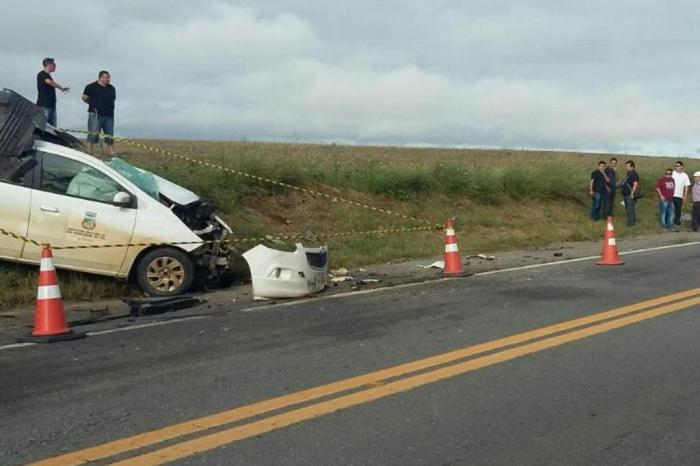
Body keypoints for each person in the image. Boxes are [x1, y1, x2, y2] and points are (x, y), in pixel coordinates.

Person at [82, 70, 117, 156]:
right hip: (95, 114)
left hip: (109, 115)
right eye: (107, 77)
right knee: (93, 133)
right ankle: (89, 151)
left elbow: (113, 99)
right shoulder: (91, 87)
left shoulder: (112, 88)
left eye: (109, 78)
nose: (108, 79)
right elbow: (85, 98)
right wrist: (93, 103)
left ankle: (111, 151)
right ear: (101, 77)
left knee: (109, 134)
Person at [36, 58, 69, 127]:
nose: (55, 66)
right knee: (42, 126)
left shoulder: (48, 76)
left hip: (51, 105)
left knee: (52, 128)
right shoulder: (42, 74)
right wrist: (61, 88)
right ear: (49, 65)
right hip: (44, 105)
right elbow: (49, 82)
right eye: (54, 64)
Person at [619, 160, 639, 226]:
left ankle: (631, 224)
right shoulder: (628, 173)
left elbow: (635, 184)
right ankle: (632, 223)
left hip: (629, 195)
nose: (626, 167)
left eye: (627, 166)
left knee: (630, 210)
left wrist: (632, 193)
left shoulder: (634, 174)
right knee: (629, 209)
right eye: (626, 166)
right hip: (626, 194)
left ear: (632, 167)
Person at [671, 160, 690, 227]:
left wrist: (685, 196)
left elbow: (686, 186)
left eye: (677, 166)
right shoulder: (673, 173)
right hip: (671, 195)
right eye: (675, 166)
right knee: (671, 209)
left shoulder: (685, 175)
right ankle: (670, 222)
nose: (676, 167)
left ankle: (677, 222)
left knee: (678, 210)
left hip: (679, 196)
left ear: (681, 166)